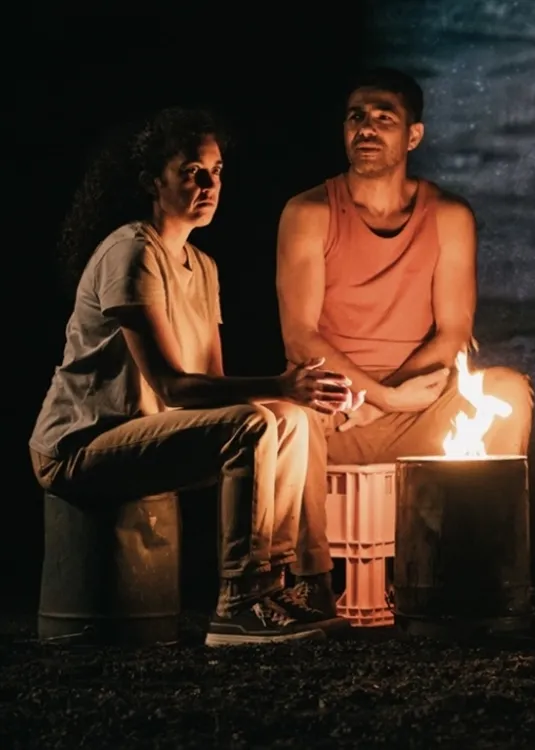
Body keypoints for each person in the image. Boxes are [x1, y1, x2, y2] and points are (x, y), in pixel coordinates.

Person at [29, 107, 362, 647]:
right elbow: (173, 387)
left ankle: (271, 587)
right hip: (80, 444)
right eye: (192, 172)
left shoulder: (201, 266)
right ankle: (239, 600)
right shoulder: (132, 252)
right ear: (150, 182)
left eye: (217, 170)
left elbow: (213, 386)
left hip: (146, 435)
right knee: (258, 420)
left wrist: (295, 395)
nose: (210, 185)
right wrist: (280, 383)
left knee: (291, 421)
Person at [275, 67, 535, 617]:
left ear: (413, 135)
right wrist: (376, 397)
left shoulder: (448, 215)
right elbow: (301, 336)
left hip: (418, 406)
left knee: (508, 389)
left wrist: (394, 398)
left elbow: (454, 334)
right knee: (286, 420)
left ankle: (484, 575)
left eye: (383, 118)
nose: (366, 129)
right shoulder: (309, 212)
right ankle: (312, 584)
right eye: (355, 117)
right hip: (336, 412)